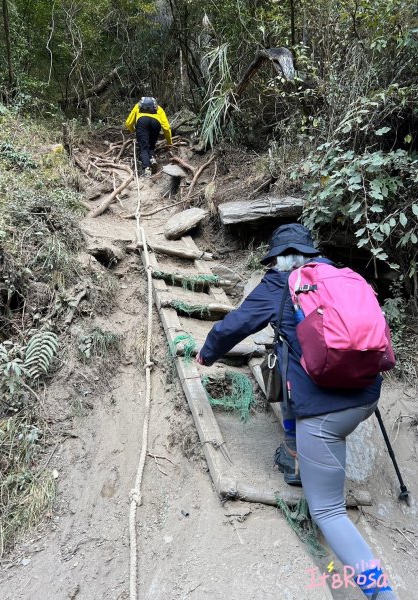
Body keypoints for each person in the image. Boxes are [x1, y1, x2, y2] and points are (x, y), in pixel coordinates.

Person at [196, 223, 397, 600]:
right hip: (366, 395)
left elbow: (236, 325)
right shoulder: (341, 275)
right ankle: (298, 453)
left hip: (325, 414)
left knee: (329, 511)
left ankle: (382, 593)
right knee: (292, 371)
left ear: (276, 258)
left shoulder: (278, 284)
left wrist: (207, 352)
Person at [125, 96, 172, 177]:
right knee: (151, 145)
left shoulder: (138, 106)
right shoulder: (158, 108)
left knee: (144, 147)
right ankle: (152, 158)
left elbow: (128, 123)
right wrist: (169, 142)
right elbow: (166, 128)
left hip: (142, 122)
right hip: (156, 123)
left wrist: (133, 131)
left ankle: (147, 168)